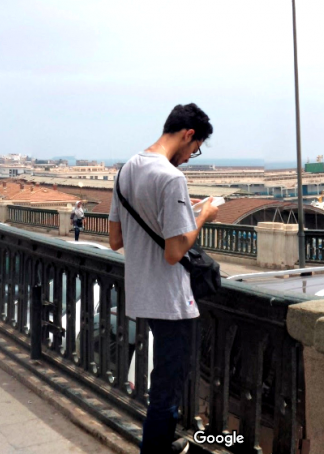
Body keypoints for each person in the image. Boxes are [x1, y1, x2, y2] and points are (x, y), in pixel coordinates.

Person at [108, 103, 216, 454]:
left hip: (142, 292)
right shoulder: (172, 178)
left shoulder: (126, 169)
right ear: (188, 135)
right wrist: (204, 216)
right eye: (195, 149)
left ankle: (163, 442)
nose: (189, 157)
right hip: (171, 299)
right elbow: (174, 251)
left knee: (163, 380)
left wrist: (180, 212)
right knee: (167, 387)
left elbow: (115, 240)